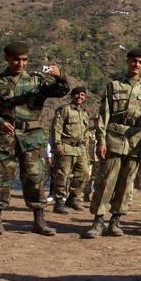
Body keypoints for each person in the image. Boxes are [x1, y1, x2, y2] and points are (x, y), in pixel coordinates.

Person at [0, 41, 70, 238]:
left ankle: (39, 220)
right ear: (7, 59)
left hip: (31, 138)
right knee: (0, 177)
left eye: (24, 60)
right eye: (16, 59)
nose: (20, 63)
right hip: (5, 138)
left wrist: (59, 78)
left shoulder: (36, 81)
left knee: (34, 178)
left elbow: (60, 92)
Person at [85, 49, 141, 238]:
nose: (137, 65)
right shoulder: (114, 86)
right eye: (134, 61)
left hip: (135, 141)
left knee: (126, 183)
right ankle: (98, 221)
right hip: (114, 138)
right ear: (127, 62)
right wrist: (101, 141)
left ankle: (115, 221)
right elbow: (103, 115)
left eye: (140, 62)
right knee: (106, 180)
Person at [50, 86, 90, 214]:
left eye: (82, 95)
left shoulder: (84, 113)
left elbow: (86, 132)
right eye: (77, 94)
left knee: (84, 173)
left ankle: (72, 198)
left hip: (80, 149)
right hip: (65, 147)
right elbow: (57, 127)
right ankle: (59, 202)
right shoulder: (65, 109)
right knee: (62, 175)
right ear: (72, 96)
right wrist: (57, 144)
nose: (80, 97)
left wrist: (85, 147)